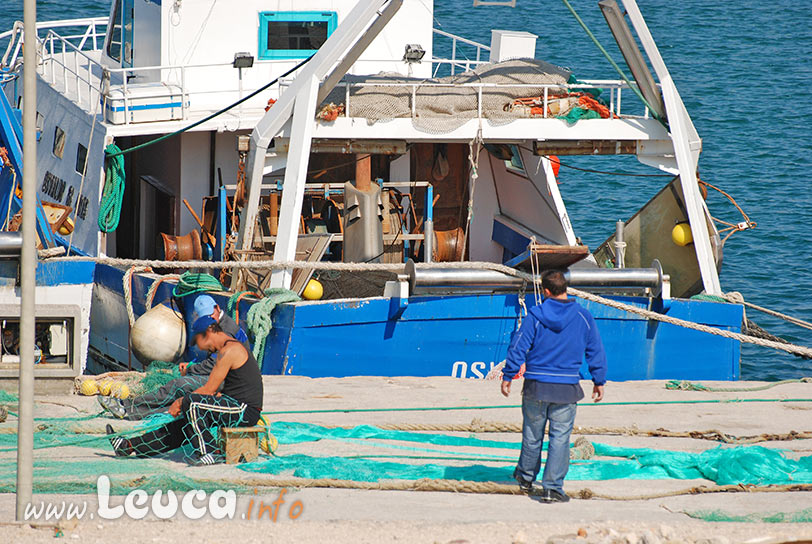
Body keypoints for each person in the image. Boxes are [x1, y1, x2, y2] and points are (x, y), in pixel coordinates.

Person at [501, 269, 607, 503]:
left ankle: (526, 478)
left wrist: (508, 375)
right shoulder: (583, 317)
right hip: (566, 388)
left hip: (536, 386)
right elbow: (595, 350)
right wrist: (598, 380)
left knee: (532, 434)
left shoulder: (535, 316)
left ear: (546, 291)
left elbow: (519, 346)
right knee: (560, 438)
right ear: (565, 288)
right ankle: (552, 487)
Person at [107, 315, 264, 466]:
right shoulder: (226, 349)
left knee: (191, 403)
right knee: (184, 423)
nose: (202, 348)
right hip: (233, 404)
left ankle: (209, 452)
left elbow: (209, 389)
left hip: (244, 410)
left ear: (209, 332)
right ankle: (130, 446)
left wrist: (181, 402)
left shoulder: (229, 350)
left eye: (199, 342)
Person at [98, 295, 248, 420]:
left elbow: (213, 365)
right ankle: (131, 411)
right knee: (178, 391)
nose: (209, 319)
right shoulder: (223, 324)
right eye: (205, 317)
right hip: (226, 376)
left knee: (180, 385)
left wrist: (191, 368)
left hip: (229, 382)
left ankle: (126, 407)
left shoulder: (226, 331)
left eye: (210, 315)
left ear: (217, 308)